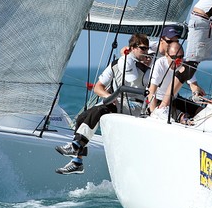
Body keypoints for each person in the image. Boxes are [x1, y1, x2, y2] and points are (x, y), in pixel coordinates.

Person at [55, 33, 152, 175]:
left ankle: (76, 146)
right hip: (116, 103)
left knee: (100, 110)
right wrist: (109, 96)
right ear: (132, 48)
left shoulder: (148, 69)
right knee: (83, 116)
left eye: (147, 49)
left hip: (135, 107)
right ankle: (77, 161)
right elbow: (98, 87)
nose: (146, 52)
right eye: (143, 48)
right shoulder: (115, 65)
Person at [148, 41, 205, 121]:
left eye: (181, 57)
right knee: (182, 117)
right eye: (174, 57)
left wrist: (196, 92)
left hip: (174, 98)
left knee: (202, 112)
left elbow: (193, 85)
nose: (178, 60)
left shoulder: (184, 65)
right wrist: (153, 113)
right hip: (158, 100)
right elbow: (152, 91)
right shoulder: (159, 64)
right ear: (167, 55)